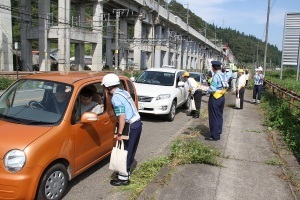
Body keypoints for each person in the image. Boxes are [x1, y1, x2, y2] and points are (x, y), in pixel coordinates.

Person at [102, 73, 142, 186]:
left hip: (131, 125)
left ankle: (123, 178)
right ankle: (126, 173)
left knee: (125, 151)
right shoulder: (123, 92)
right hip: (137, 123)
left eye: (104, 87)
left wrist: (119, 133)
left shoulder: (115, 98)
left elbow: (122, 117)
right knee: (130, 150)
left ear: (108, 87)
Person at [205, 61, 227, 141]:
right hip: (222, 97)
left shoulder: (215, 76)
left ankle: (215, 136)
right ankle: (218, 131)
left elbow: (213, 88)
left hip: (215, 97)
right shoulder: (223, 75)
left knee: (213, 116)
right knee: (219, 115)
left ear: (213, 68)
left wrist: (206, 92)